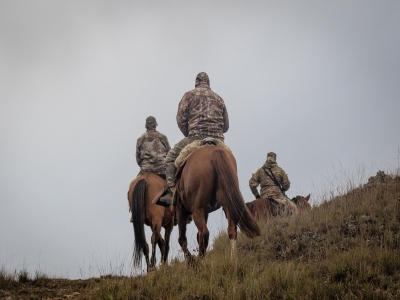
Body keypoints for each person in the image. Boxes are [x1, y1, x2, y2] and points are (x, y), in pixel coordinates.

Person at [158, 72, 229, 205]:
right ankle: (233, 191)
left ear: (196, 82)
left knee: (170, 158)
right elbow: (226, 125)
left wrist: (188, 133)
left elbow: (181, 119)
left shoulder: (189, 95)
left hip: (196, 137)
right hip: (218, 140)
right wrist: (217, 131)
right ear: (208, 82)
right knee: (230, 160)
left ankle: (172, 193)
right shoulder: (219, 98)